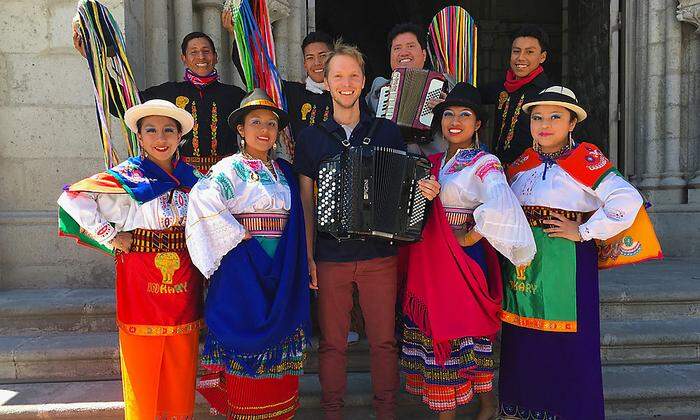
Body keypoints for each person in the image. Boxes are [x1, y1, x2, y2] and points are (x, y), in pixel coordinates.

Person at [294, 42, 441, 419]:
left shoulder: (387, 132)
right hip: (330, 255)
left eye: (353, 75)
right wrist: (308, 255)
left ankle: (386, 412)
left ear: (363, 82)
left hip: (379, 255)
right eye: (338, 75)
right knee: (331, 344)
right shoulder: (310, 137)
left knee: (383, 342)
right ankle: (332, 413)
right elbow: (307, 202)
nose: (346, 83)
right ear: (325, 82)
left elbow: (406, 185)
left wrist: (425, 190)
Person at [498, 86, 651, 419]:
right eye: (537, 117)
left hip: (566, 264)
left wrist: (583, 231)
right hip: (524, 266)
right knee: (523, 339)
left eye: (555, 116)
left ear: (571, 124)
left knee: (566, 345)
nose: (544, 124)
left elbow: (627, 200)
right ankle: (525, 408)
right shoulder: (523, 162)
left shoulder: (585, 159)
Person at [57, 100, 203, 419]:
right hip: (139, 277)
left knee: (181, 359)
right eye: (151, 130)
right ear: (139, 135)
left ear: (180, 136)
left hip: (184, 281)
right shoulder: (127, 176)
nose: (160, 138)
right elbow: (71, 197)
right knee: (143, 362)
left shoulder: (192, 178)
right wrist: (110, 235)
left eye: (168, 130)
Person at [400, 83, 536, 420]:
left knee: (458, 330)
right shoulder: (430, 162)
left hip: (461, 260)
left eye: (465, 115)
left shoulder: (485, 163)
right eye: (448, 114)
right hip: (428, 259)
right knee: (435, 334)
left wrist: (470, 237)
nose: (455, 121)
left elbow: (502, 201)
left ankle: (485, 404)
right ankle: (463, 406)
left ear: (477, 124)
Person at [186, 89, 311, 419]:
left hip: (282, 272)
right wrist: (239, 237)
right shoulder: (227, 170)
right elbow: (201, 204)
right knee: (245, 363)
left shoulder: (286, 171)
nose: (264, 130)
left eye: (271, 123)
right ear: (241, 129)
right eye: (255, 122)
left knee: (280, 372)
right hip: (242, 276)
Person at [73, 30, 246, 173]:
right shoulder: (169, 92)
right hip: (180, 176)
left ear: (215, 57)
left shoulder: (234, 95)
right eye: (193, 52)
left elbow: (260, 93)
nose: (201, 57)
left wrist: (238, 36)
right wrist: (93, 60)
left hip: (226, 176)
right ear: (184, 58)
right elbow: (122, 103)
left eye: (206, 51)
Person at [365, 22, 454, 157]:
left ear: (424, 54)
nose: (403, 53)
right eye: (397, 48)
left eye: (411, 46)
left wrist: (448, 109)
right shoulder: (379, 87)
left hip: (434, 161)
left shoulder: (446, 83)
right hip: (388, 161)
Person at [480, 24, 551, 165]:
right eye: (516, 51)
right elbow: (473, 97)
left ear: (542, 57)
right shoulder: (502, 86)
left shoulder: (547, 93)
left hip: (530, 172)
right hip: (498, 170)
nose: (520, 58)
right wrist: (450, 101)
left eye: (529, 52)